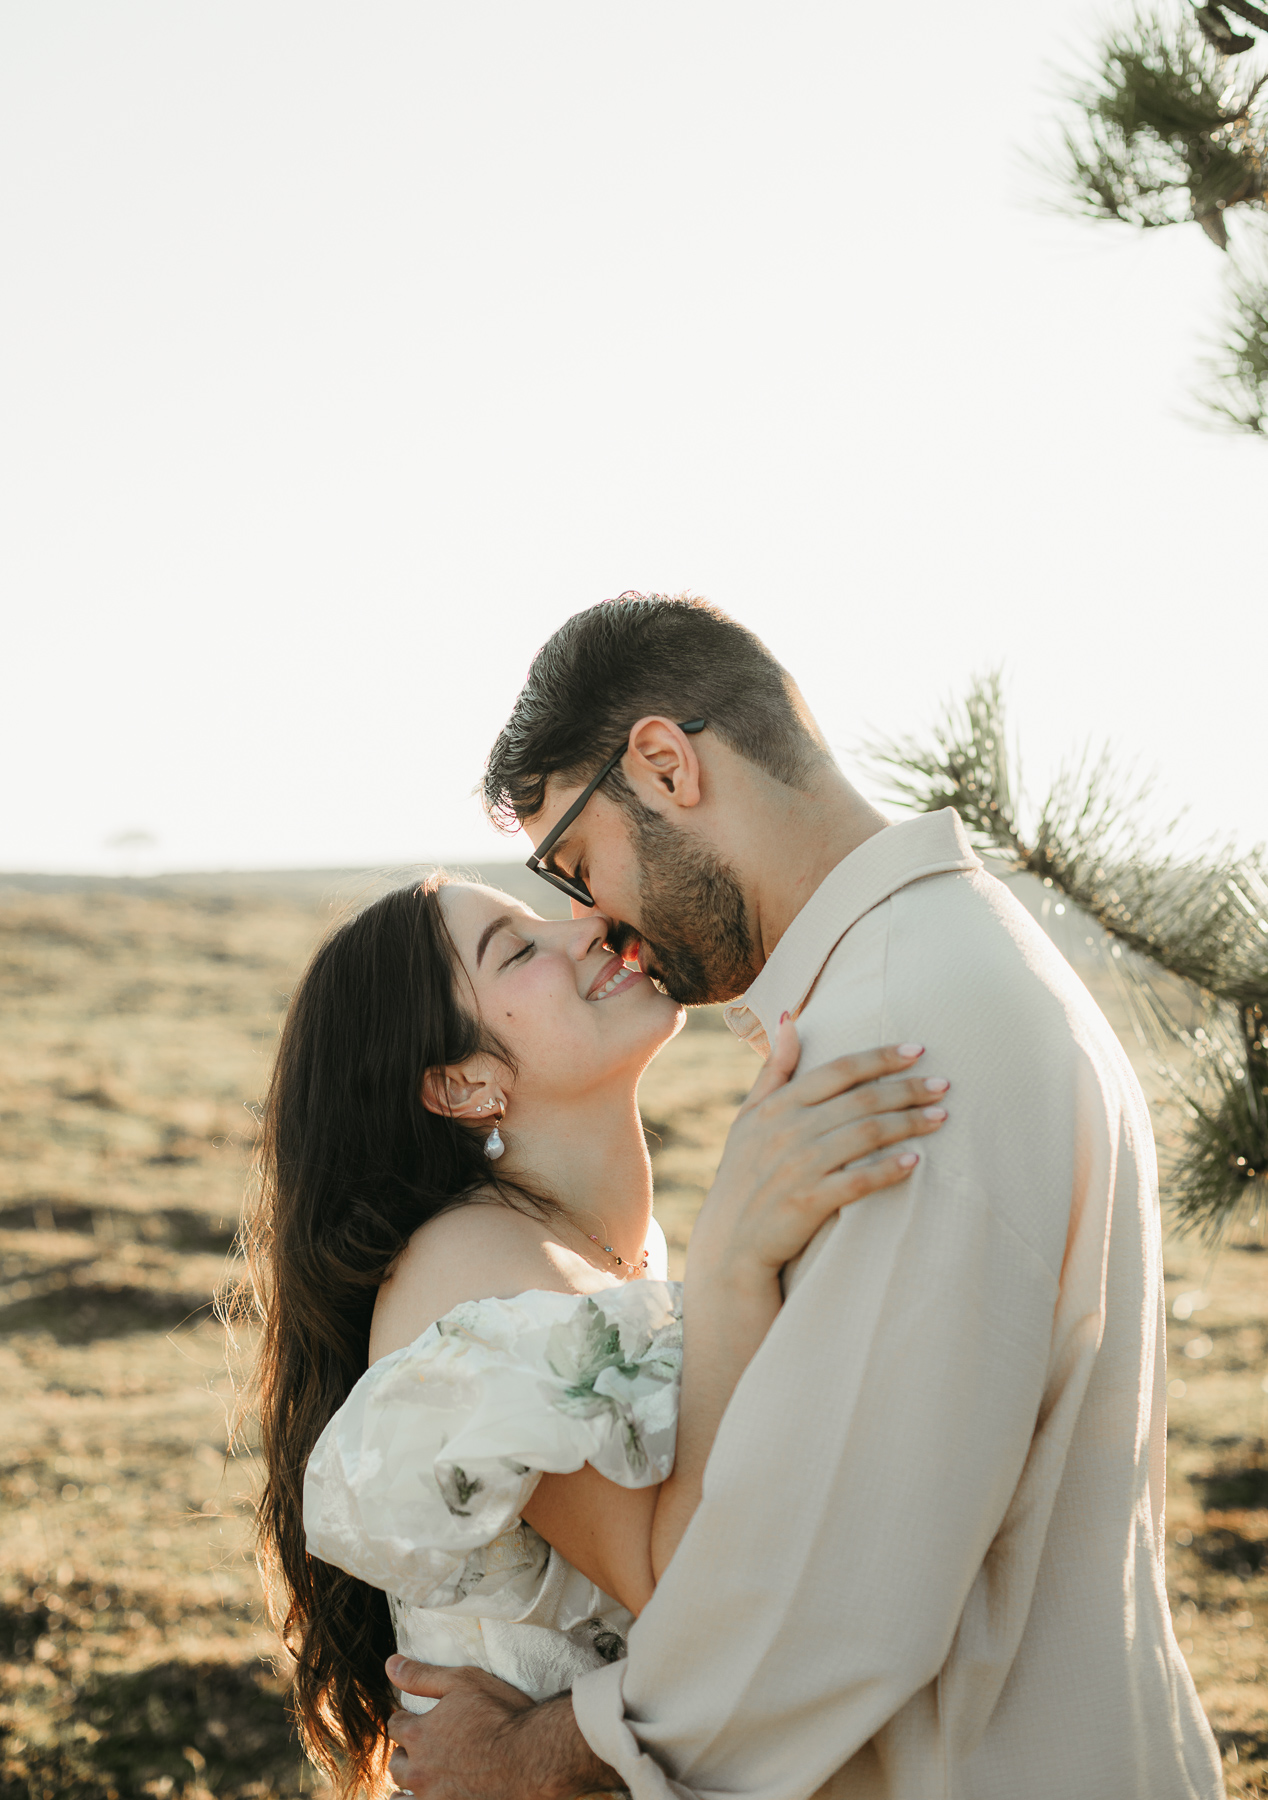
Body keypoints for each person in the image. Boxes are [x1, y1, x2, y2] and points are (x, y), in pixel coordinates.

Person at [384, 593, 1224, 1800]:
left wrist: (542, 1753)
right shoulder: (950, 964)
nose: (595, 926)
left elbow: (841, 1580)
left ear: (666, 767)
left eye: (575, 863)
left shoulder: (894, 1043)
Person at [244, 872, 948, 1798]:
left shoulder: (606, 1252)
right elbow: (702, 1599)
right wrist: (736, 1263)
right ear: (464, 1083)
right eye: (517, 947)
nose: (583, 928)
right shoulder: (481, 1280)